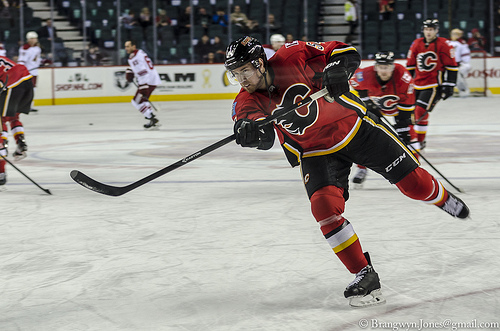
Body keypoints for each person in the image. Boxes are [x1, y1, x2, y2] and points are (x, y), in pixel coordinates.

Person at [224, 35, 469, 307]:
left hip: (356, 130)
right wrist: (249, 132)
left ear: (259, 63)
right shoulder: (245, 101)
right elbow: (264, 137)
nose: (241, 79)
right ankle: (364, 273)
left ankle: (441, 198)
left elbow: (346, 52)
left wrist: (337, 69)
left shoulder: (293, 54)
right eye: (235, 74)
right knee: (324, 209)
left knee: (415, 187)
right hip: (315, 152)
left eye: (244, 70)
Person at [349, 51, 417, 184]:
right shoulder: (363, 75)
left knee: (410, 135)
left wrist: (403, 126)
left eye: (387, 67)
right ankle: (362, 169)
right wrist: (367, 102)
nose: (383, 70)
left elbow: (407, 105)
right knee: (363, 137)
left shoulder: (404, 77)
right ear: (375, 67)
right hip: (375, 107)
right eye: (380, 66)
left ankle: (414, 169)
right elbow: (354, 84)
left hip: (397, 108)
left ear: (393, 67)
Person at [406, 19, 457, 150]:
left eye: (431, 29)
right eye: (426, 29)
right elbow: (411, 65)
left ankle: (419, 141)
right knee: (411, 113)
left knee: (420, 110)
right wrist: (406, 83)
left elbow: (451, 66)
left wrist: (449, 85)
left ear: (436, 30)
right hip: (417, 84)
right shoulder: (416, 43)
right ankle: (414, 138)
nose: (428, 32)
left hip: (433, 85)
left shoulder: (444, 43)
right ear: (423, 30)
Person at [0, 55, 34, 184]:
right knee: (13, 117)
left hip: (12, 83)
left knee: (1, 119)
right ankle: (21, 142)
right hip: (26, 81)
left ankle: (1, 171)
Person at [124, 40, 161, 129]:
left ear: (134, 46)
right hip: (153, 79)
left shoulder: (134, 58)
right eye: (125, 46)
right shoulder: (140, 52)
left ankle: (151, 118)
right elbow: (141, 66)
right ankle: (152, 118)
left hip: (147, 81)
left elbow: (143, 72)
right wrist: (130, 70)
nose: (126, 48)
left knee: (135, 102)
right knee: (143, 101)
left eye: (128, 46)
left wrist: (143, 87)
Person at [17, 31, 41, 113]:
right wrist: (21, 71)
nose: (35, 40)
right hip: (26, 73)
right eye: (33, 38)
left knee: (32, 89)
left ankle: (29, 105)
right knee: (24, 89)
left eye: (35, 38)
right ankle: (21, 105)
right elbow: (21, 61)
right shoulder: (25, 48)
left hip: (34, 72)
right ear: (29, 39)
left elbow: (37, 60)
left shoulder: (38, 48)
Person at [449, 28, 471, 97]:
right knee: (447, 79)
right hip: (448, 65)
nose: (454, 35)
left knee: (459, 77)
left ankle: (463, 91)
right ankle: (448, 92)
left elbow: (466, 56)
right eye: (453, 34)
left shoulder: (462, 43)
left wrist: (463, 62)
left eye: (456, 34)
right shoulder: (447, 42)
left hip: (458, 64)